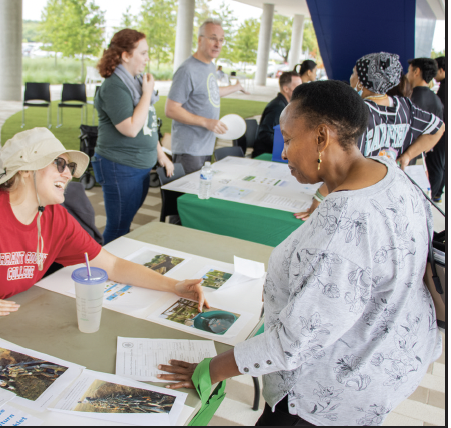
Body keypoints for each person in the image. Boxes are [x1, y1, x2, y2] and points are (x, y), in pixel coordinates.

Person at [158, 80, 442, 426]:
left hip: (328, 393)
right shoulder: (393, 175)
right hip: (390, 356)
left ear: (322, 138)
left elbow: (292, 344)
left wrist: (210, 370)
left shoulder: (344, 223)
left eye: (289, 139)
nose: (283, 152)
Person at [0, 128, 208, 361]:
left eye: (70, 167)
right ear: (25, 170)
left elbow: (114, 265)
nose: (69, 174)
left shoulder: (55, 219)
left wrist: (174, 285)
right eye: (60, 164)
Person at [295, 52, 445, 221]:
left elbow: (340, 161)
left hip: (359, 196)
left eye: (354, 73)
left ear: (361, 80)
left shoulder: (358, 113)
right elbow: (438, 128)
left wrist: (318, 199)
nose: (351, 78)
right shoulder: (404, 107)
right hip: (389, 191)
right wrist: (407, 156)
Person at [92, 29, 174, 244]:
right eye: (143, 53)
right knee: (118, 228)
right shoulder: (114, 86)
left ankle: (116, 266)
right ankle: (106, 269)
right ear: (126, 55)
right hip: (120, 167)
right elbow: (130, 128)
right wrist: (147, 93)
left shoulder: (136, 82)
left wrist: (160, 154)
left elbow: (148, 124)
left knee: (125, 223)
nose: (147, 59)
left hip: (138, 167)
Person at [165, 17, 247, 174]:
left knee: (202, 192)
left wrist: (235, 87)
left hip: (206, 146)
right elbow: (171, 109)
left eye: (221, 40)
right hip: (189, 150)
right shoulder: (187, 70)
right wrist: (206, 122)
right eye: (213, 39)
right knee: (190, 196)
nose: (218, 44)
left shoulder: (210, 66)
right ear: (200, 40)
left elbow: (211, 93)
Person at [406, 57, 445, 202]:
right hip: (424, 153)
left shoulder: (409, 99)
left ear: (416, 72)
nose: (407, 75)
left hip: (408, 156)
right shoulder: (436, 100)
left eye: (409, 71)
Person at [251, 71, 302, 158]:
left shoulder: (284, 105)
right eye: (298, 87)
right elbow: (264, 134)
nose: (301, 91)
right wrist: (288, 144)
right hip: (266, 154)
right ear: (286, 89)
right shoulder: (277, 107)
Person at [432, 56, 446, 203]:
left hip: (443, 131)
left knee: (437, 162)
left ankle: (434, 195)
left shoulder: (444, 89)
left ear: (442, 70)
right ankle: (438, 193)